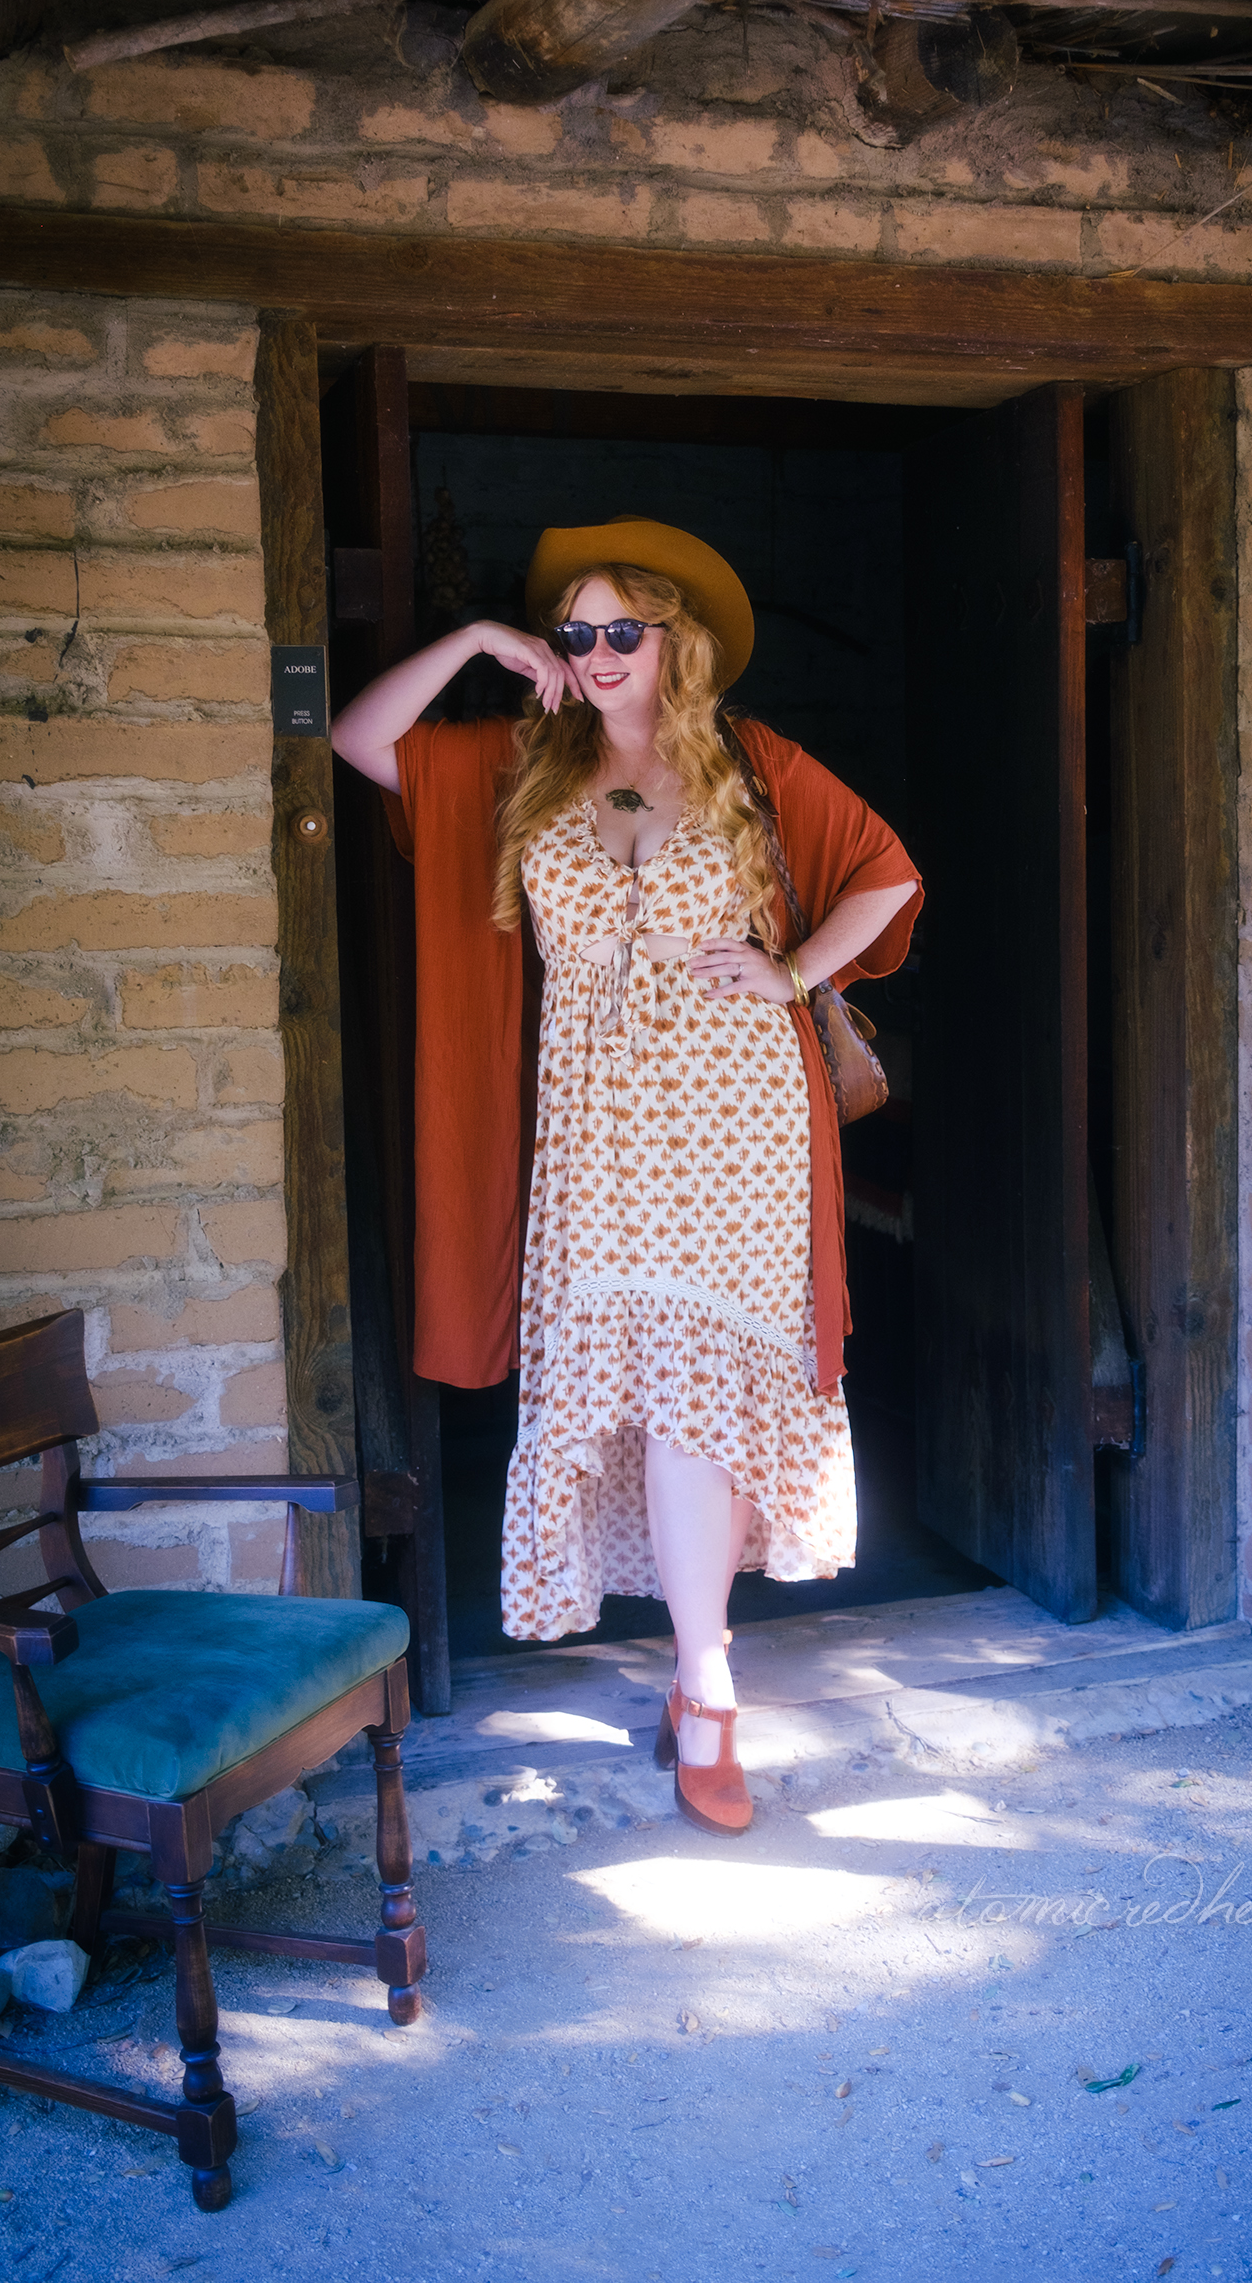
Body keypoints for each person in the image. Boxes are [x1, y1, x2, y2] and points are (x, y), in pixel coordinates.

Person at [331, 518, 921, 1838]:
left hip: (740, 1135)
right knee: (645, 1396)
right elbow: (361, 741)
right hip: (594, 1142)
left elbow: (889, 874)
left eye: (620, 632)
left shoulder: (753, 765)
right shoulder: (521, 762)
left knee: (695, 1398)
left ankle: (706, 1683)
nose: (595, 656)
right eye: (574, 633)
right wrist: (481, 643)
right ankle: (699, 1674)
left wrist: (791, 971)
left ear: (675, 645)